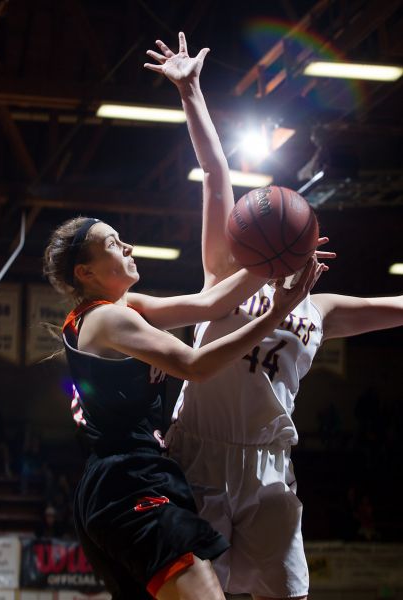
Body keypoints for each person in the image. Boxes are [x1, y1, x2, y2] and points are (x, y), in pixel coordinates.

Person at [144, 32, 403, 600]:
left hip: (269, 464)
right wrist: (191, 92)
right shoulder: (222, 273)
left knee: (286, 594)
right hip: (199, 451)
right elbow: (216, 177)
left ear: (313, 241)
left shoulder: (322, 308)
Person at [43, 215, 325, 600]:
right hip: (125, 485)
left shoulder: (125, 307)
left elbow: (210, 304)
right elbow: (195, 365)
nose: (127, 247)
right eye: (112, 243)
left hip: (137, 477)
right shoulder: (107, 318)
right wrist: (276, 314)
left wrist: (275, 262)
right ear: (85, 271)